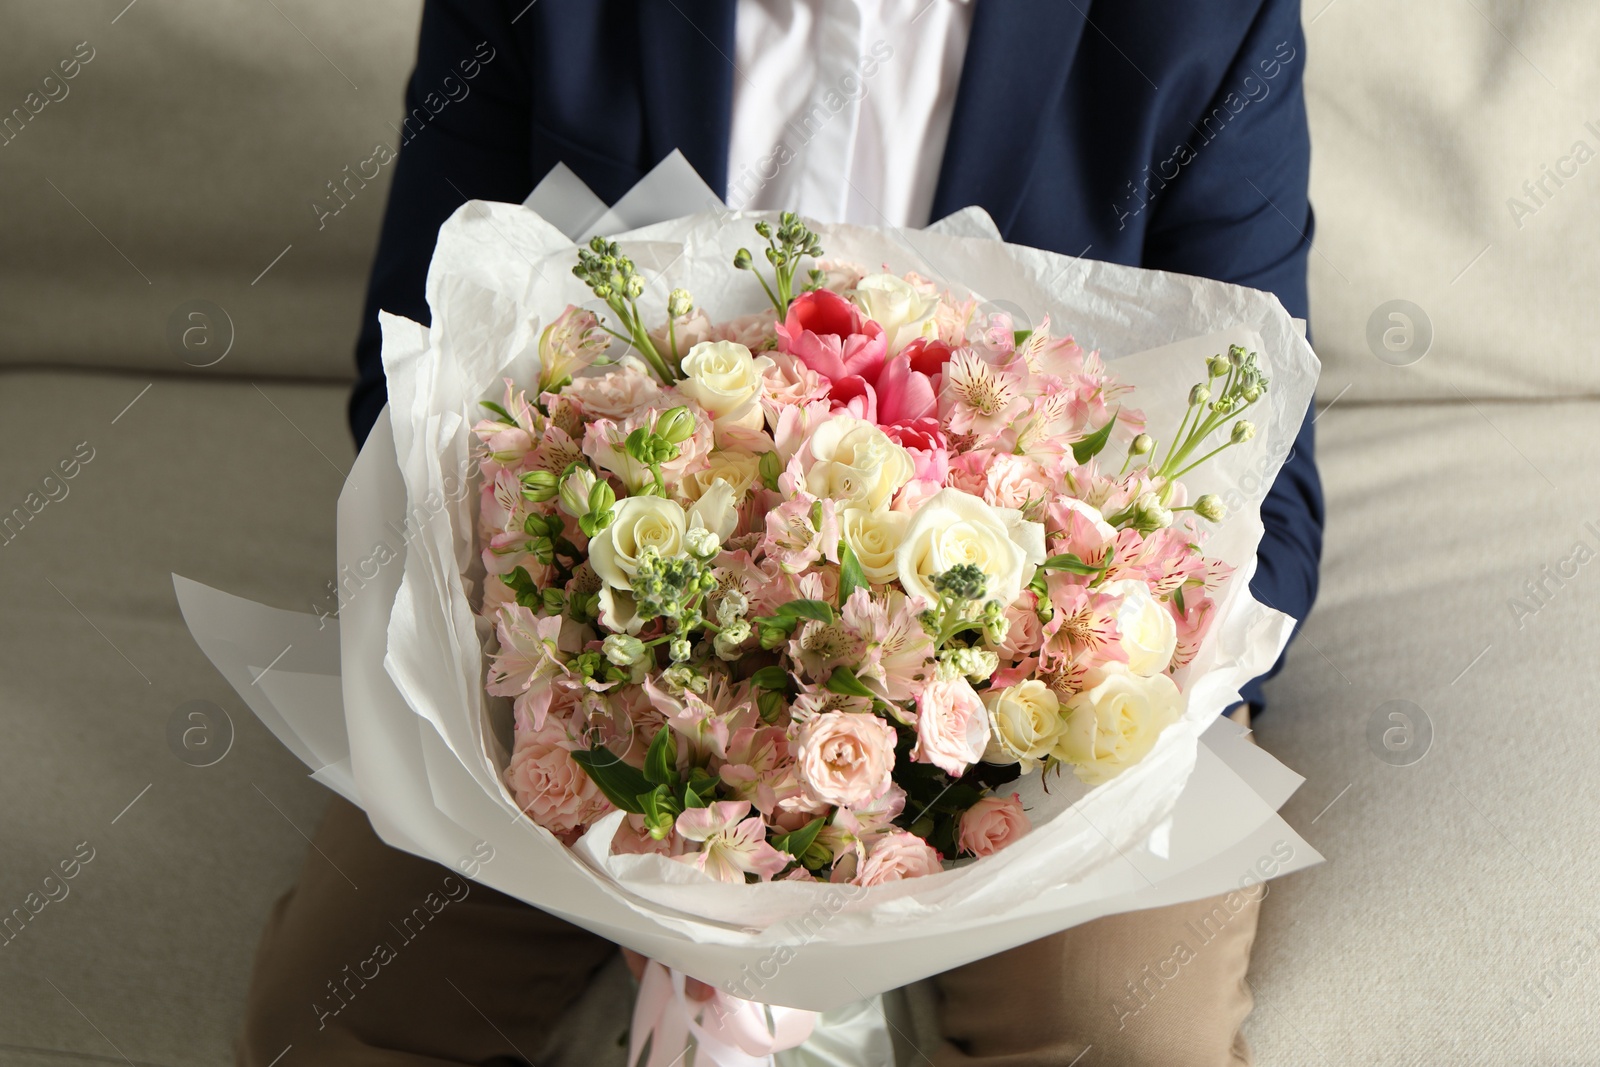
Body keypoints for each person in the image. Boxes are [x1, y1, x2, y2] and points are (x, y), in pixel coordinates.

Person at [242, 1, 1322, 1064]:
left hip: (1031, 725)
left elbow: (1267, 509)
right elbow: (418, 393)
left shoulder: (1206, 21)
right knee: (330, 1015)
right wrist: (664, 784)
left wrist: (975, 741)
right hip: (590, 669)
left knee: (1126, 1033)